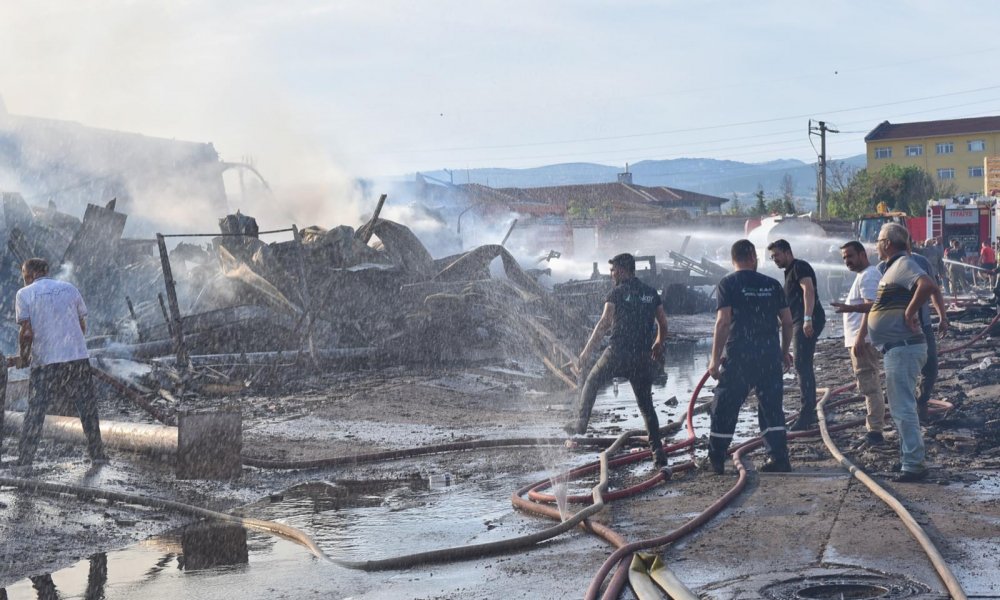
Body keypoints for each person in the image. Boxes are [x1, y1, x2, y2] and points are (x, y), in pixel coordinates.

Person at [568, 253, 670, 468]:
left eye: (613, 270)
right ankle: (658, 453)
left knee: (593, 381)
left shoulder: (617, 292)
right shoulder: (650, 293)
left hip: (617, 353)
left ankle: (580, 424)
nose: (611, 274)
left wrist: (585, 353)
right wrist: (658, 343)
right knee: (646, 407)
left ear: (623, 270)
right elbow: (663, 323)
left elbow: (604, 323)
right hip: (642, 356)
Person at [705, 239, 794, 475]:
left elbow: (723, 322)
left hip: (740, 357)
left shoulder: (728, 284)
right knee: (771, 407)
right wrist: (784, 352)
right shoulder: (772, 284)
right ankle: (779, 458)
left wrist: (714, 359)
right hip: (768, 356)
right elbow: (786, 322)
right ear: (753, 257)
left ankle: (716, 460)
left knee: (724, 406)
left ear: (733, 259)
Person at [9, 258, 106, 467]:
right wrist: (69, 347)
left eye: (24, 274)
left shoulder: (24, 294)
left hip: (45, 362)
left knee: (36, 410)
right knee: (87, 408)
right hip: (77, 359)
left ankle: (25, 460)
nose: (23, 279)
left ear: (32, 274)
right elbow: (81, 325)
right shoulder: (69, 288)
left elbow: (26, 333)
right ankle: (98, 455)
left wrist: (24, 357)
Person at [862, 224, 939, 482]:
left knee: (903, 408)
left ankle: (914, 465)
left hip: (904, 347)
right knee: (901, 407)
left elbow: (927, 284)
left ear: (887, 243)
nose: (875, 244)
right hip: (899, 348)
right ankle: (909, 457)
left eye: (878, 239)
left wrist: (909, 313)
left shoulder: (903, 264)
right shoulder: (892, 268)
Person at [767, 239, 826, 431]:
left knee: (802, 364)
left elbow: (808, 290)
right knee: (803, 365)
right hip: (798, 320)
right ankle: (807, 413)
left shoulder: (799, 266)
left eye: (776, 255)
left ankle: (806, 415)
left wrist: (808, 318)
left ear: (787, 252)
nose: (774, 259)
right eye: (772, 256)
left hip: (807, 320)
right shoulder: (789, 273)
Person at [830, 241, 885, 446]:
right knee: (868, 384)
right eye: (844, 258)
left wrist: (860, 337)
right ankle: (874, 429)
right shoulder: (864, 275)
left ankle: (875, 432)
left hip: (864, 340)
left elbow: (872, 307)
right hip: (861, 339)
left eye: (850, 256)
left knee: (869, 385)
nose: (847, 261)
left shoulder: (869, 275)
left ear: (862, 254)